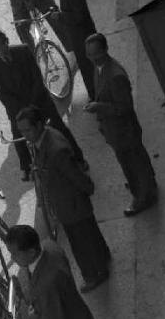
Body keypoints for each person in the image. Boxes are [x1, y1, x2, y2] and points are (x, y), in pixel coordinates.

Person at [16, 106, 111, 293]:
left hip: (71, 204)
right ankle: (102, 257)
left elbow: (74, 174)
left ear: (39, 125)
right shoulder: (45, 137)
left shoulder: (55, 150)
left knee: (81, 241)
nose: (25, 135)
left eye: (28, 130)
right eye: (22, 131)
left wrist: (87, 187)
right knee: (90, 234)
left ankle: (95, 273)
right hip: (67, 202)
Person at [0, 30, 88, 181]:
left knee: (59, 128)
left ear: (7, 41)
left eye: (2, 44)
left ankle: (78, 158)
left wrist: (32, 105)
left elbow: (37, 78)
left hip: (39, 101)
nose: (1, 49)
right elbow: (3, 93)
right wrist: (23, 110)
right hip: (17, 108)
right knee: (18, 135)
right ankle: (25, 167)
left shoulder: (23, 50)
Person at [84, 33, 157, 216]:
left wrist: (98, 107)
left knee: (131, 163)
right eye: (89, 55)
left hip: (123, 130)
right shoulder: (99, 67)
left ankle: (142, 197)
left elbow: (124, 107)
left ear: (105, 50)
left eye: (96, 55)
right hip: (116, 130)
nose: (92, 59)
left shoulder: (115, 75)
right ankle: (147, 183)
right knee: (137, 159)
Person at [45, 0, 96, 100]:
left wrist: (60, 16)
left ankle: (96, 99)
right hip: (80, 36)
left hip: (83, 36)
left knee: (88, 69)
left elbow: (79, 16)